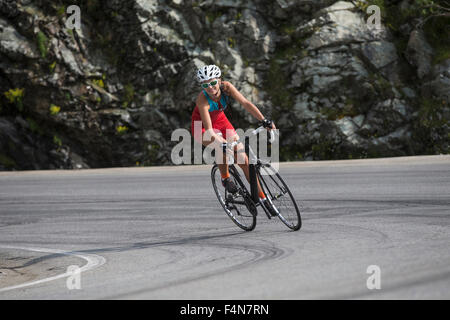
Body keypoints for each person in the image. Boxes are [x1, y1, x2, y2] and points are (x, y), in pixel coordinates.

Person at [191, 64, 277, 215]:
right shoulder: (202, 100)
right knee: (221, 146)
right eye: (205, 85)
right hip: (203, 127)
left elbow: (245, 103)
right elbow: (210, 130)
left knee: (244, 160)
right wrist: (221, 142)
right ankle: (225, 178)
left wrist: (264, 120)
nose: (210, 87)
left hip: (221, 120)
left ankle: (263, 199)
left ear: (219, 80)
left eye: (212, 83)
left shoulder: (227, 88)